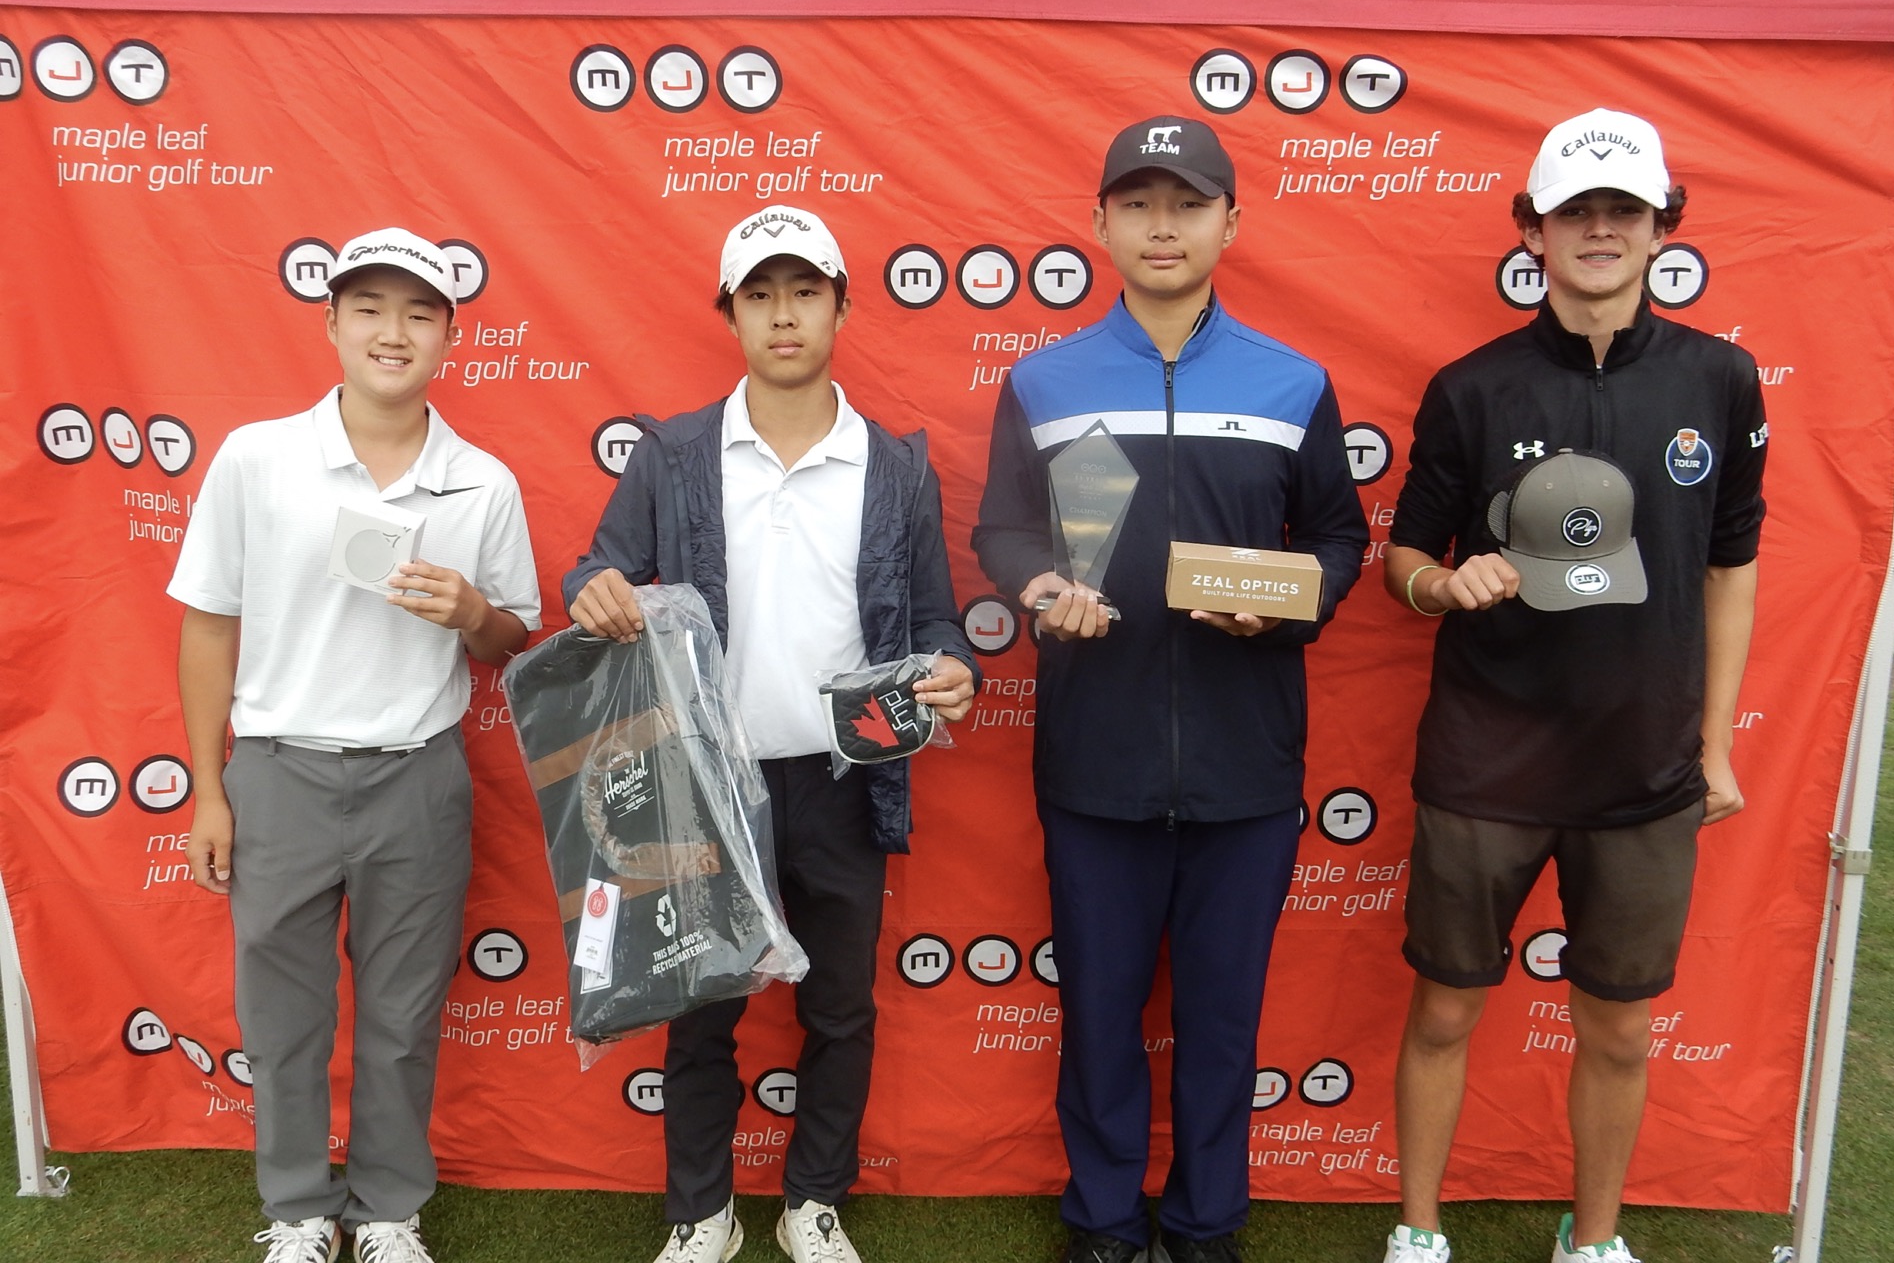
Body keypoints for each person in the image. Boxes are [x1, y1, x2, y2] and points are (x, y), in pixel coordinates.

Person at [972, 116, 1368, 1263]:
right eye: (1138, 203)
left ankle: (1204, 1224)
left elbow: (1338, 540)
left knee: (1223, 1022)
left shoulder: (1294, 382)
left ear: (1230, 224)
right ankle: (1102, 1222)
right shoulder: (1042, 381)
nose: (1162, 226)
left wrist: (1288, 602)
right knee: (1098, 1013)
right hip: (1095, 758)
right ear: (1098, 223)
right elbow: (1002, 527)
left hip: (1248, 766)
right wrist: (1040, 584)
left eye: (1188, 204)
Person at [1379, 109, 1766, 1263]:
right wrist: (1439, 586)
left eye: (1624, 210)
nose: (1600, 229)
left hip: (1643, 765)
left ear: (1662, 228)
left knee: (1622, 1029)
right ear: (1533, 231)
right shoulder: (1471, 388)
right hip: (1485, 759)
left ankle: (1593, 1241)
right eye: (1575, 211)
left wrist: (1713, 745)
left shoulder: (1722, 379)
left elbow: (1730, 568)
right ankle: (1418, 1231)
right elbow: (1406, 554)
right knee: (1445, 1008)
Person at [564, 204, 980, 1263]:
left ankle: (813, 1203)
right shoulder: (675, 453)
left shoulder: (894, 465)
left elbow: (937, 620)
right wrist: (594, 591)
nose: (783, 315)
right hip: (705, 783)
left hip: (845, 776)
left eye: (804, 292)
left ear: (842, 308)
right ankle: (701, 1212)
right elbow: (595, 570)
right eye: (760, 295)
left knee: (839, 1007)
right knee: (700, 1005)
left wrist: (955, 669)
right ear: (731, 316)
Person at [169, 228, 543, 1263]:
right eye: (369, 308)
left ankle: (385, 1211)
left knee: (402, 1014)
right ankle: (297, 1210)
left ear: (450, 337)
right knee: (281, 1016)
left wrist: (472, 611)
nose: (393, 332)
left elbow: (512, 638)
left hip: (417, 778)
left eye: (419, 313)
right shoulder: (258, 458)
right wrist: (208, 789)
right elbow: (208, 625)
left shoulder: (482, 481)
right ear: (330, 322)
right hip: (277, 774)